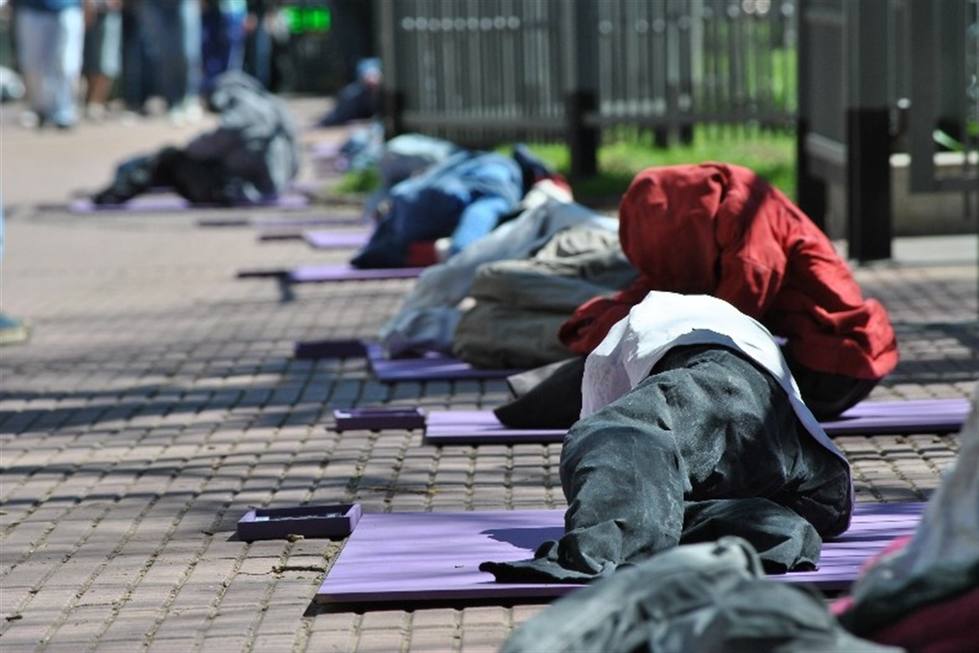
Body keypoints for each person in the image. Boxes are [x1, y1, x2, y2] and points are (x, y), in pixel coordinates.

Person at [481, 291, 853, 583]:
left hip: (723, 394)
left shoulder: (629, 340)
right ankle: (770, 527)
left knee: (611, 439)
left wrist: (595, 516)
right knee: (660, 484)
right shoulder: (727, 326)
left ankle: (604, 548)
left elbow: (605, 434)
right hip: (812, 486)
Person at [557, 163, 898, 421]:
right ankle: (535, 395)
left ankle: (539, 398)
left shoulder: (748, 216)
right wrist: (600, 322)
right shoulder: (709, 210)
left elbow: (730, 319)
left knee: (659, 377)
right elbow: (659, 284)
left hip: (833, 368)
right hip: (814, 361)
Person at [92, 72, 299, 206]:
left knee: (168, 159)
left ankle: (115, 192)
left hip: (242, 190)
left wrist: (186, 150)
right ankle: (120, 185)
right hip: (268, 187)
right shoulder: (275, 106)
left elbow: (208, 145)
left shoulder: (243, 104)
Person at [14, 0, 85, 129]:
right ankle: (41, 109)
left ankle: (64, 111)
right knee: (33, 64)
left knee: (67, 63)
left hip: (68, 7)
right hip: (32, 9)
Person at [139, 0, 202, 123]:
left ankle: (190, 98)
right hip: (155, 4)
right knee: (165, 54)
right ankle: (174, 103)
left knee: (188, 51)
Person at [81, 0, 122, 120]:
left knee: (107, 61)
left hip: (108, 11)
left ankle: (96, 103)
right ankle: (91, 102)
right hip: (87, 10)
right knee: (89, 61)